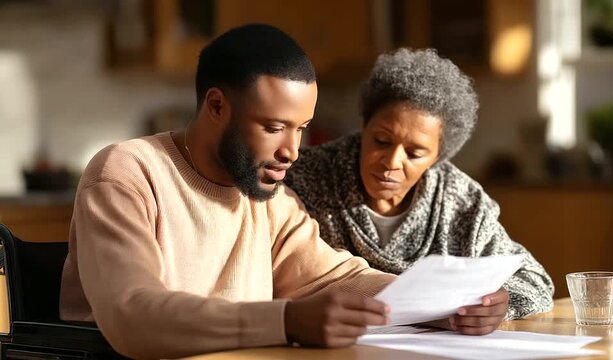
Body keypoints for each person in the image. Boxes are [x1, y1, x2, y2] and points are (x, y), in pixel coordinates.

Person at [59, 24, 396, 359]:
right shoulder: (126, 173)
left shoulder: (270, 200)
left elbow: (335, 279)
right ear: (217, 106)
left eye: (301, 129)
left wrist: (438, 304)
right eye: (274, 128)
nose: (292, 150)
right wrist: (285, 320)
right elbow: (131, 313)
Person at [285, 48, 555, 327]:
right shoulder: (305, 178)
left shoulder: (462, 203)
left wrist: (500, 302)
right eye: (381, 140)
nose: (391, 161)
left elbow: (535, 280)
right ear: (364, 125)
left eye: (414, 153)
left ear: (438, 157)